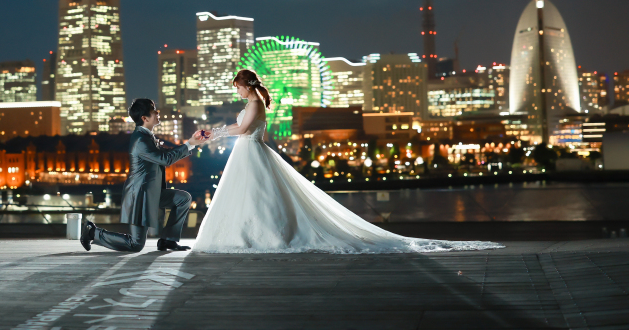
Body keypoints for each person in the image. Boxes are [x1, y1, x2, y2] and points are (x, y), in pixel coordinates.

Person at [192, 69, 502, 254]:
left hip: (251, 153)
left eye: (237, 86)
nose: (236, 90)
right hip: (249, 152)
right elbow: (240, 128)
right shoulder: (253, 102)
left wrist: (216, 133)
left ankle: (261, 235)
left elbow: (243, 129)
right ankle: (253, 234)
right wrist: (217, 134)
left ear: (245, 84)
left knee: (258, 196)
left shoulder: (254, 104)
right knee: (257, 197)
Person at [80, 98, 207, 252]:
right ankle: (93, 232)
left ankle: (168, 240)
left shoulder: (146, 137)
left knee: (182, 199)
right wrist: (190, 144)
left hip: (151, 192)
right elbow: (165, 159)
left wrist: (190, 142)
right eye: (154, 111)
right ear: (144, 118)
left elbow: (164, 154)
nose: (157, 113)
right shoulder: (140, 140)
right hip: (140, 196)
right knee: (135, 244)